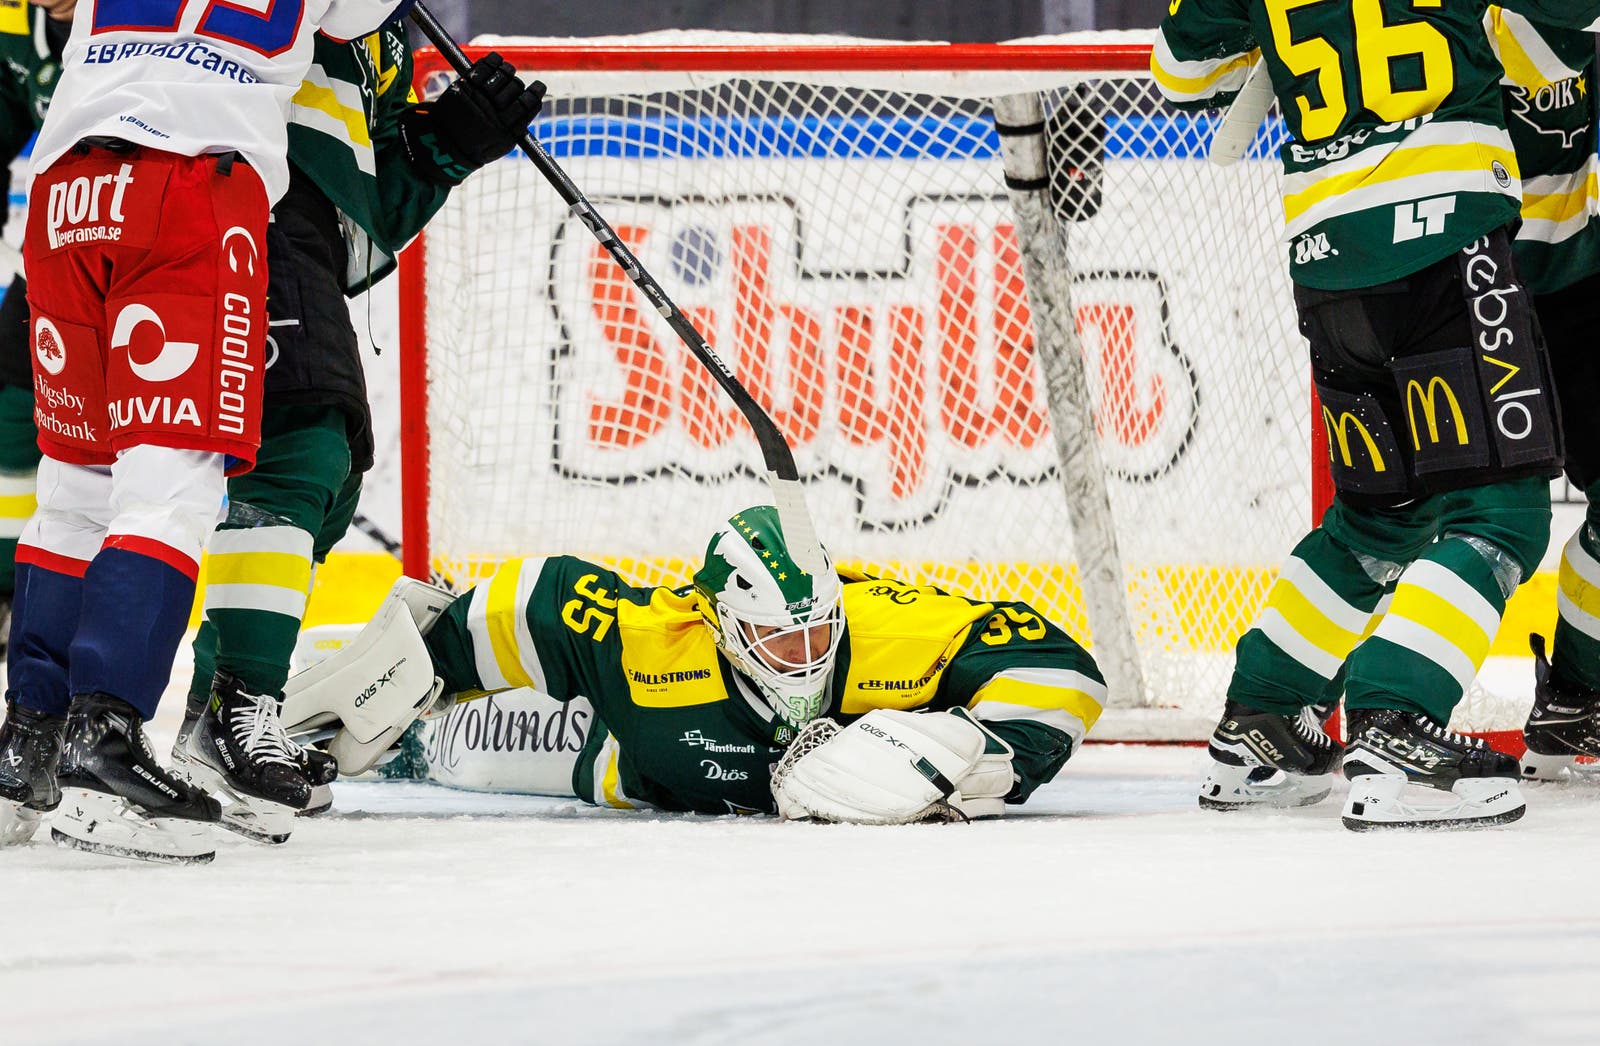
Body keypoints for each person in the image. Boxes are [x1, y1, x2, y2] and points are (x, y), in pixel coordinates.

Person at [1154, 0, 1600, 829]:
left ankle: (1261, 722)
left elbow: (1183, 73)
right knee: (1500, 516)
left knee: (1378, 517)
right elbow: (1553, 53)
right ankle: (1395, 721)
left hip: (1328, 263)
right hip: (1446, 245)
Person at [0, 0, 423, 864]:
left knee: (76, 485)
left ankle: (28, 740)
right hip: (189, 193)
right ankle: (103, 742)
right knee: (174, 484)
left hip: (65, 196)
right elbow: (362, 30)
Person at [162, 27, 542, 844]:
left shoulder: (389, 33)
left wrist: (447, 146)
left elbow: (370, 188)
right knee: (298, 441)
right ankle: (236, 706)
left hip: (301, 227)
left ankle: (213, 715)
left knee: (330, 478)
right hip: (236, 184)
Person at [298, 505, 1106, 820]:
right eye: (777, 641)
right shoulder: (649, 635)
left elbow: (1066, 670)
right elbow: (529, 600)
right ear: (718, 623)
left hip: (651, 765)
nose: (805, 661)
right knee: (458, 751)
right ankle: (319, 697)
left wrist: (980, 755)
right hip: (610, 750)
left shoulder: (899, 629)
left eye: (819, 635)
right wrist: (389, 687)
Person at [1484, 10, 1600, 779]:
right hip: (1478, 289)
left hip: (1571, 280)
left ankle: (1576, 700)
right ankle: (1368, 709)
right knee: (1418, 520)